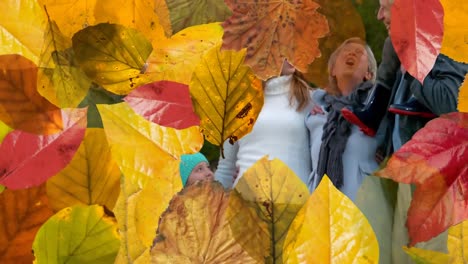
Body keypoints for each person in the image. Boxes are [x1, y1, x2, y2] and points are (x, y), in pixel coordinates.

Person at [342, 0, 468, 262]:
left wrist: (414, 61)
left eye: (384, 7)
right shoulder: (405, 46)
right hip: (408, 177)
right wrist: (386, 144)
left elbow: (451, 102)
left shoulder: (445, 43)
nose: (378, 16)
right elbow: (399, 108)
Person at [215, 60, 314, 189]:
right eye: (286, 49)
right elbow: (226, 168)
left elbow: (320, 163)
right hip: (245, 201)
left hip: (297, 201)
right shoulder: (238, 103)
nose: (294, 55)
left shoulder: (310, 99)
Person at [306, 37, 378, 201]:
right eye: (345, 51)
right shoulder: (315, 109)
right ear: (332, 70)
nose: (351, 53)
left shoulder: (377, 109)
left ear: (368, 73)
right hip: (322, 214)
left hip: (364, 213)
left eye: (359, 53)